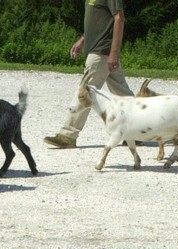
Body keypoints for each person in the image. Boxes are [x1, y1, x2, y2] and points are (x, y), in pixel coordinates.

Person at [43, 0, 132, 149]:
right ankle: (138, 131)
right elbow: (97, 22)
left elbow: (119, 18)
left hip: (102, 52)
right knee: (123, 93)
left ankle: (68, 135)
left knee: (85, 92)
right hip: (98, 50)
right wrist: (82, 40)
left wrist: (113, 53)